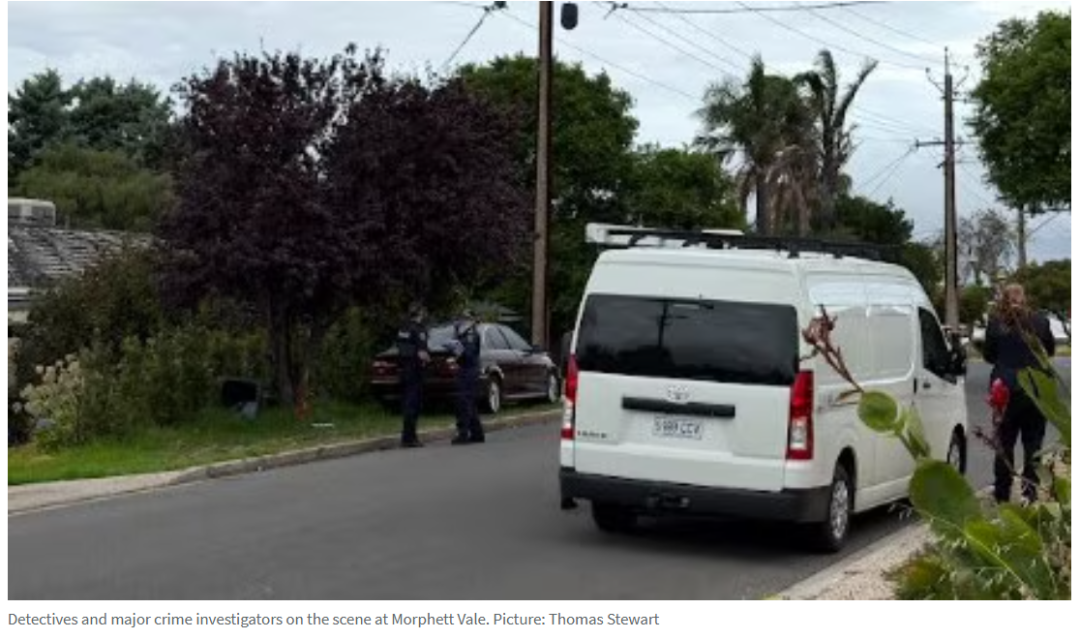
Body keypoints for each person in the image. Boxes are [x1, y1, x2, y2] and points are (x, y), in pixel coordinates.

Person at [983, 283, 1056, 504]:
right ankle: (1029, 492)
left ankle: (1002, 493)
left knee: (1004, 443)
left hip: (1004, 389)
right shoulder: (1040, 322)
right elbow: (1049, 351)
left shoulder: (995, 323)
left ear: (1003, 300)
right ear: (1024, 298)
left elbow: (989, 355)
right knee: (1033, 443)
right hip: (1036, 389)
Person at [397, 303, 430, 448]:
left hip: (408, 370)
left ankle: (409, 436)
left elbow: (402, 348)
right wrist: (421, 355)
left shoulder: (404, 328)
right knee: (413, 404)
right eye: (423, 312)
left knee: (410, 403)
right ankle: (409, 438)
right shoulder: (417, 329)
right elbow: (417, 351)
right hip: (414, 370)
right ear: (420, 313)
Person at [451, 310, 485, 445]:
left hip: (468, 370)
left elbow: (468, 354)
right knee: (469, 402)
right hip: (467, 370)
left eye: (462, 319)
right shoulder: (463, 334)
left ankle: (463, 434)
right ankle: (477, 434)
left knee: (464, 402)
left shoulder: (470, 335)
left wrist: (456, 351)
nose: (459, 322)